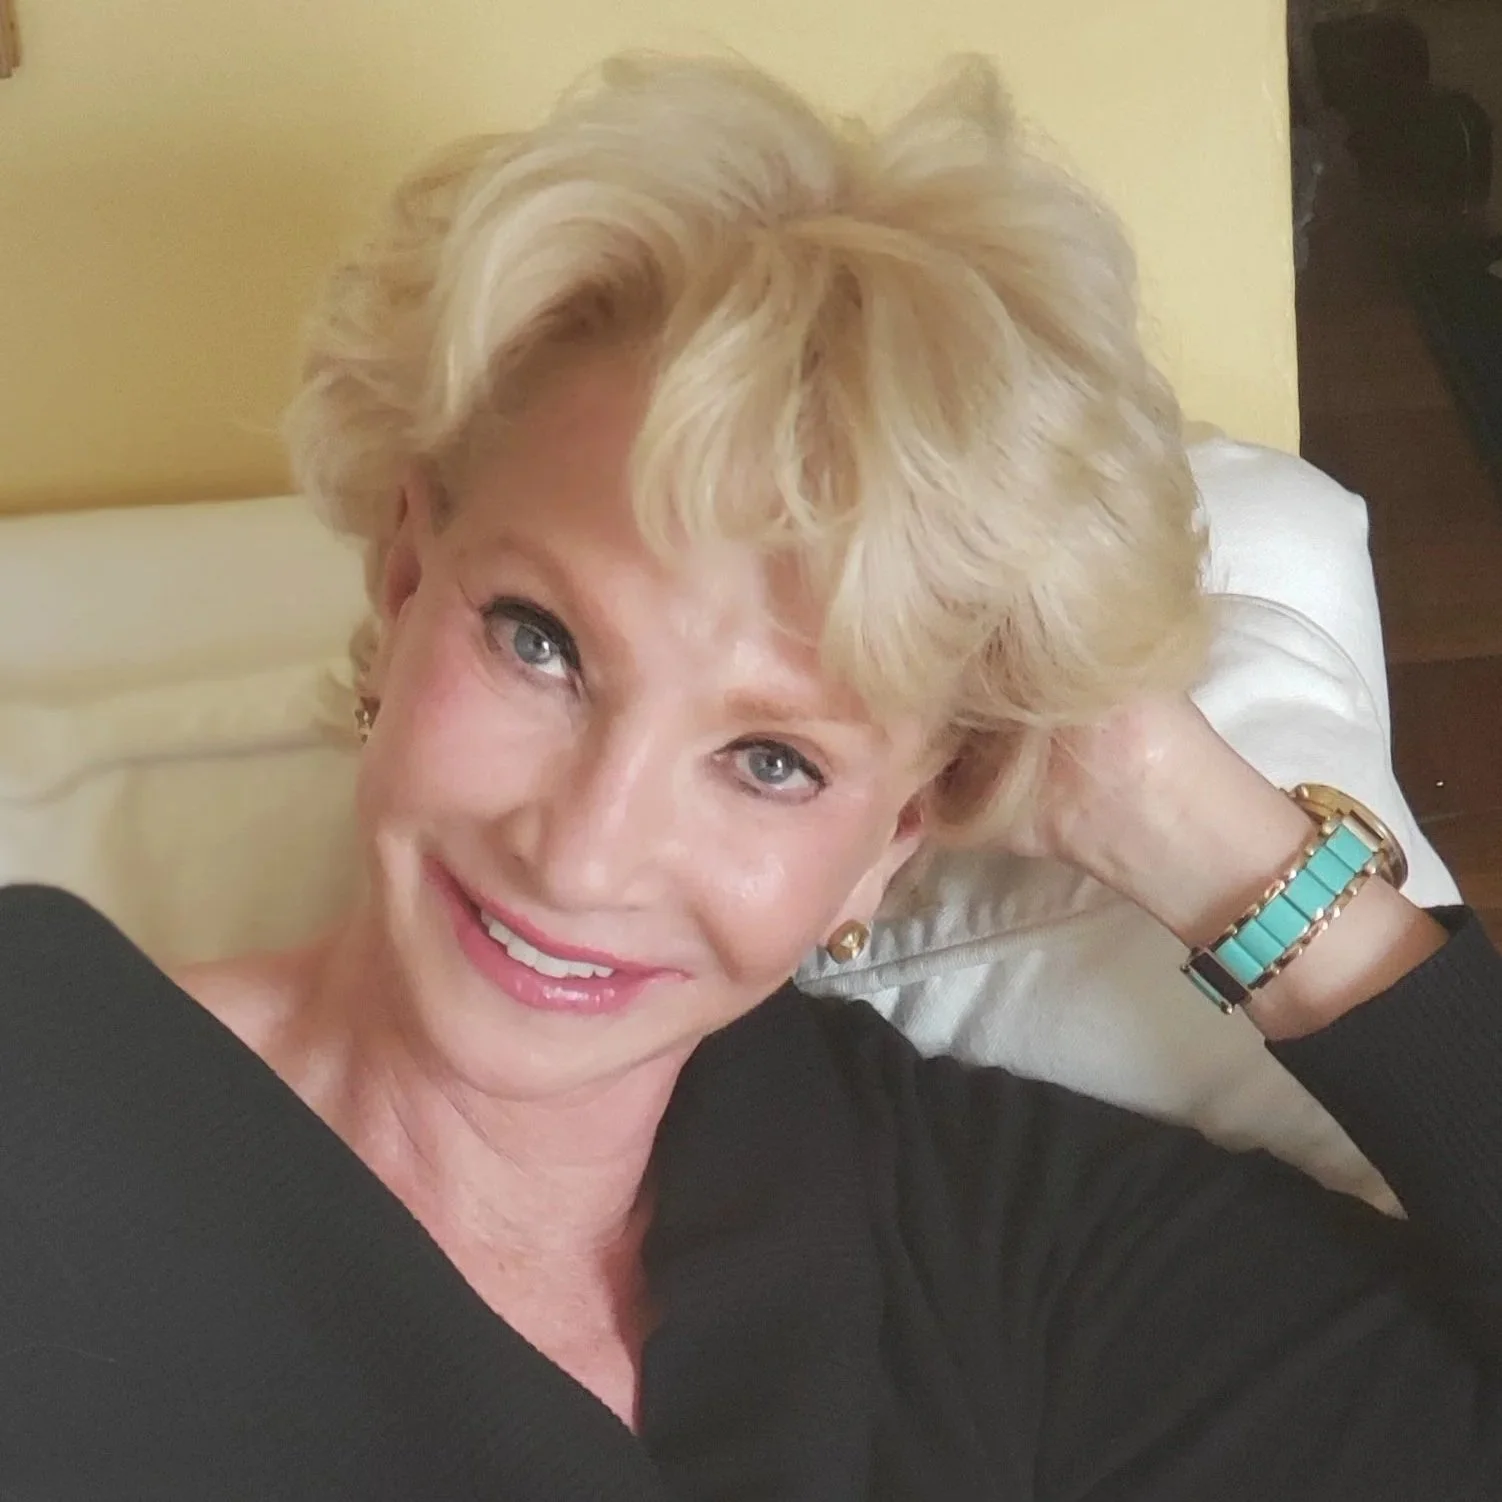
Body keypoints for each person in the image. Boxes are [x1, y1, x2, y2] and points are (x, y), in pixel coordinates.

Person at [1, 53, 1498, 1500]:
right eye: (540, 644)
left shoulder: (995, 1253)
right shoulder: (45, 1080)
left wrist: (1197, 829)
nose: (583, 853)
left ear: (896, 830)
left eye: (772, 758)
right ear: (404, 583)